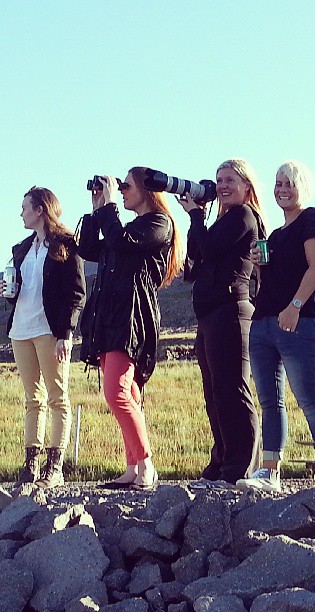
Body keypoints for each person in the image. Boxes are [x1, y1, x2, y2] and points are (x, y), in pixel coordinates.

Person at [236, 160, 315, 494]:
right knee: (270, 401)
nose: (282, 190)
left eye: (289, 184)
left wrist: (295, 306)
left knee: (308, 395)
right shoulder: (276, 235)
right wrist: (258, 266)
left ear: (302, 187)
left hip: (296, 320)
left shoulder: (312, 219)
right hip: (262, 321)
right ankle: (270, 471)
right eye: (278, 184)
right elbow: (271, 280)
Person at [78, 168, 182, 490]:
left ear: (147, 191)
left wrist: (109, 208)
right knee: (129, 395)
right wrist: (98, 208)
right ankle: (134, 466)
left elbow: (119, 240)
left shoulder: (159, 224)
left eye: (126, 186)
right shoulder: (127, 229)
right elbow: (88, 249)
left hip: (131, 319)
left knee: (117, 394)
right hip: (110, 318)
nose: (121, 191)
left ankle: (146, 465)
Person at [180, 159, 266, 487]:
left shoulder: (244, 215)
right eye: (219, 180)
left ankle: (241, 467)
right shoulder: (224, 219)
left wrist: (195, 216)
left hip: (231, 312)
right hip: (210, 314)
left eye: (230, 179)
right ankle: (221, 462)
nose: (222, 186)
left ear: (247, 185)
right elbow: (197, 253)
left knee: (232, 390)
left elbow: (211, 247)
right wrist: (198, 218)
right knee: (215, 393)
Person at [3, 187, 85, 489]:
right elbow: (23, 288)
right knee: (32, 399)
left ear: (40, 210)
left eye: (25, 207)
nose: (21, 213)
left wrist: (66, 333)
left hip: (50, 331)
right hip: (21, 330)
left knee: (57, 398)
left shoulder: (66, 245)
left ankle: (55, 467)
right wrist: (8, 293)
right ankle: (31, 466)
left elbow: (77, 293)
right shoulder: (22, 249)